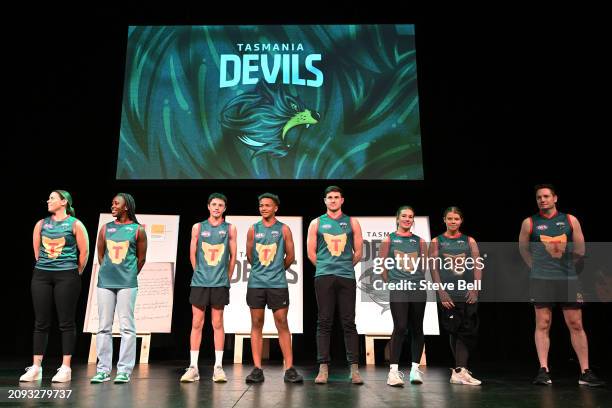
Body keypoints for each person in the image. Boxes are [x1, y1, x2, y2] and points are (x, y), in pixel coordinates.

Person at [519, 184, 605, 387]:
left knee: (576, 324)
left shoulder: (569, 220)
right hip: (541, 280)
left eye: (546, 196)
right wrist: (536, 268)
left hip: (568, 279)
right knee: (543, 323)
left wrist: (566, 270)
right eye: (539, 197)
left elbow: (580, 249)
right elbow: (523, 249)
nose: (542, 200)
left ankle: (585, 372)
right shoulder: (529, 222)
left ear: (555, 198)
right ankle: (543, 371)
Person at [20, 190, 89, 383]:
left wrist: (75, 272)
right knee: (40, 322)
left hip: (67, 275)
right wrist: (45, 267)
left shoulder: (75, 224)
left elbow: (84, 252)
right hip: (42, 274)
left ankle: (65, 367)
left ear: (64, 202)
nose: (48, 201)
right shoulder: (41, 224)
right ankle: (36, 367)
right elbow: (37, 252)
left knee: (66, 322)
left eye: (52, 198)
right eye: (48, 198)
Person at [307, 186, 364, 384]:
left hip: (346, 276)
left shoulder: (352, 222)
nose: (332, 200)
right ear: (325, 201)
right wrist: (325, 267)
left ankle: (354, 369)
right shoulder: (316, 223)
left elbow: (358, 252)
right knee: (324, 321)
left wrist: (345, 266)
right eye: (329, 197)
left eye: (336, 197)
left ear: (342, 200)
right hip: (324, 276)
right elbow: (311, 252)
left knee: (348, 322)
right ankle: (323, 369)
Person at [244, 193, 303, 383]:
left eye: (267, 205)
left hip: (277, 284)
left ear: (275, 207)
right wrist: (261, 271)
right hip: (256, 284)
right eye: (261, 205)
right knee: (256, 323)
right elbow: (250, 257)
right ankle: (257, 369)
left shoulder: (284, 229)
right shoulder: (253, 229)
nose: (263, 208)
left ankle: (290, 368)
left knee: (282, 322)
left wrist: (277, 270)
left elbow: (291, 256)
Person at [91, 193, 147, 384]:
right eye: (112, 202)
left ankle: (124, 370)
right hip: (105, 282)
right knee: (103, 327)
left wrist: (128, 274)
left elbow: (141, 259)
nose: (112, 205)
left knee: (127, 327)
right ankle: (103, 370)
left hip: (127, 284)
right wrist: (108, 271)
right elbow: (100, 255)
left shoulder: (138, 230)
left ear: (126, 207)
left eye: (116, 203)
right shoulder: (106, 228)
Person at [181, 193, 237, 383]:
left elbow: (233, 257)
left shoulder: (230, 228)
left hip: (219, 283)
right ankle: (193, 367)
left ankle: (218, 367)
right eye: (214, 204)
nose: (216, 208)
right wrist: (199, 274)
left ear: (224, 208)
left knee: (217, 323)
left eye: (220, 205)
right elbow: (192, 254)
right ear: (208, 206)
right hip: (200, 282)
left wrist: (226, 278)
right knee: (197, 322)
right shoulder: (198, 227)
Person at [430, 207, 482, 385]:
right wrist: (441, 292)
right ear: (444, 219)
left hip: (466, 291)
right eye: (449, 218)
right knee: (454, 329)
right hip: (448, 292)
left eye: (456, 219)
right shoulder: (437, 241)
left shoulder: (469, 241)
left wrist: (475, 289)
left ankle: (460, 370)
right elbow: (434, 269)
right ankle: (460, 370)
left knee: (467, 330)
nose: (453, 221)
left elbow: (477, 266)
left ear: (461, 221)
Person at [379, 206, 428, 386]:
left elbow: (423, 267)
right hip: (399, 288)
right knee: (400, 326)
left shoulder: (420, 241)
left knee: (417, 328)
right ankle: (393, 372)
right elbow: (382, 267)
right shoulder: (389, 239)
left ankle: (415, 370)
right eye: (404, 216)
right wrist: (392, 282)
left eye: (411, 217)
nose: (407, 219)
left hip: (417, 288)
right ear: (397, 219)